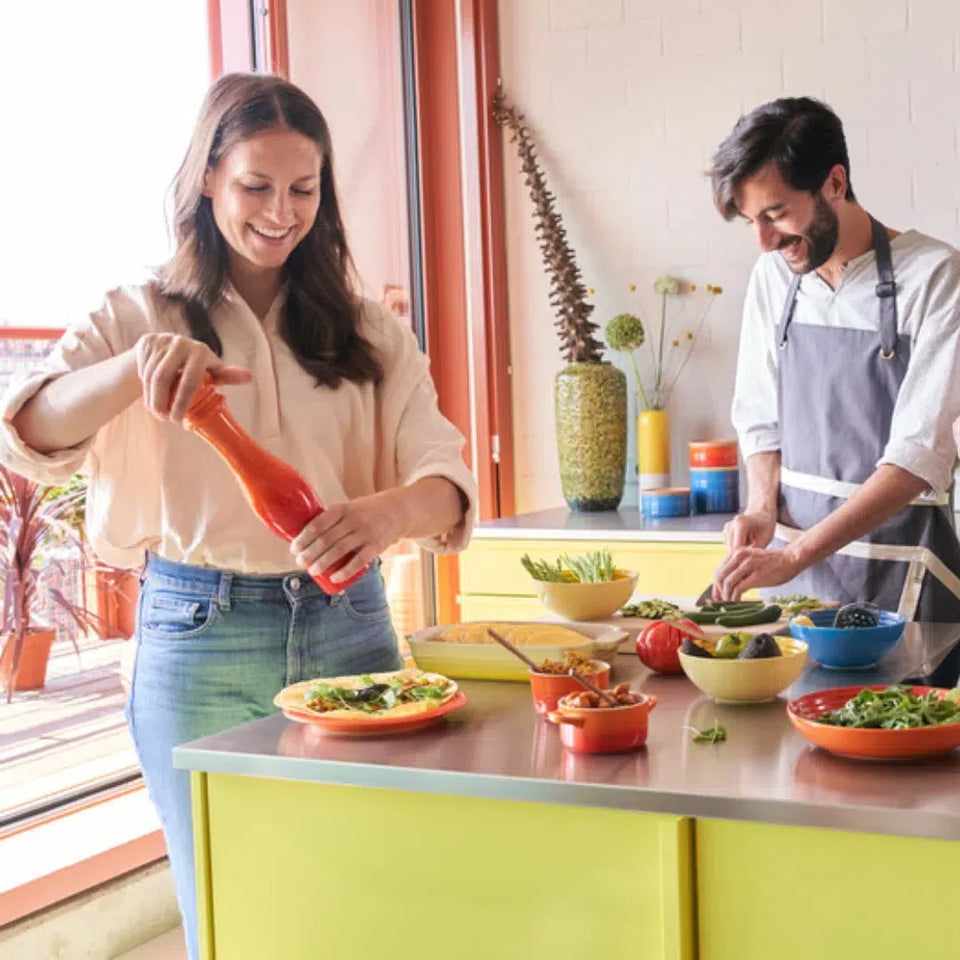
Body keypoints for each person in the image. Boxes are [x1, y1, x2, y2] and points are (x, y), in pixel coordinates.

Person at [0, 73, 476, 959]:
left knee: (364, 907)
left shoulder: (370, 331)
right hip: (195, 638)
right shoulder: (137, 313)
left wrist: (386, 515)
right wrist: (134, 369)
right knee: (230, 916)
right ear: (209, 177)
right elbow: (30, 429)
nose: (281, 213)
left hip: (349, 625)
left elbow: (446, 479)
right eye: (256, 185)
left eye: (304, 189)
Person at [707, 96, 960, 632]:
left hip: (903, 581)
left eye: (776, 214)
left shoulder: (936, 278)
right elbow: (759, 419)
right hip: (793, 585)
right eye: (752, 221)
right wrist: (761, 508)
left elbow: (917, 457)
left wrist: (797, 555)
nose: (765, 242)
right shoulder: (774, 277)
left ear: (835, 184)